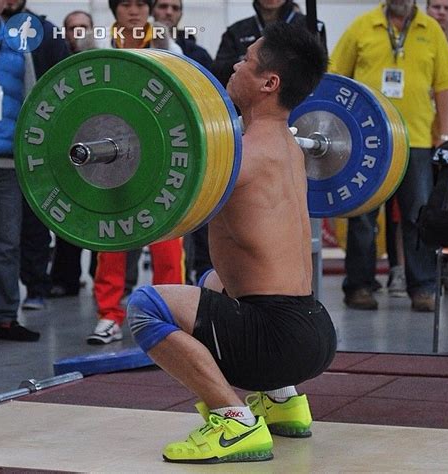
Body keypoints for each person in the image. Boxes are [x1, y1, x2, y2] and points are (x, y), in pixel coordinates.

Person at [126, 22, 336, 463]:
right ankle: (283, 402)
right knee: (214, 280)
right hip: (315, 331)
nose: (236, 66)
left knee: (147, 305)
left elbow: (164, 219)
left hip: (273, 341)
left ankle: (233, 421)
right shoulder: (289, 147)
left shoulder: (238, 157)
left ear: (268, 82)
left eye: (247, 61)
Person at [331, 0, 448, 312]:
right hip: (367, 141)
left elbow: (445, 85)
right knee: (362, 215)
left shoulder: (431, 32)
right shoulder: (362, 26)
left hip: (418, 140)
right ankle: (358, 285)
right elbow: (335, 74)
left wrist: (446, 134)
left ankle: (423, 288)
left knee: (418, 215)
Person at [86, 0, 184, 345]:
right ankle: (108, 315)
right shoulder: (100, 47)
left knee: (167, 242)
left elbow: (183, 94)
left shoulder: (167, 46)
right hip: (112, 155)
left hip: (158, 158)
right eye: (126, 4)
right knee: (111, 239)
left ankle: (168, 318)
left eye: (141, 3)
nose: (134, 10)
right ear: (115, 10)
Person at [2, 0, 69, 310]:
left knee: (34, 220)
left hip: (37, 140)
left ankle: (36, 286)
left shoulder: (46, 32)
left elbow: (65, 80)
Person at [0, 0, 39, 341]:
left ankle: (4, 318)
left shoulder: (18, 41)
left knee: (5, 243)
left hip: (6, 160)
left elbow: (32, 100)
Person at [152, 0, 213, 283]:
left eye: (174, 8)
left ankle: (202, 278)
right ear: (153, 11)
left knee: (199, 217)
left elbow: (212, 95)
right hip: (152, 144)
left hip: (193, 144)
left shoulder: (196, 52)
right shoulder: (138, 48)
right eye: (162, 6)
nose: (168, 12)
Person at [47, 10, 96, 298]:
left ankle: (98, 276)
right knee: (68, 222)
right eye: (72, 28)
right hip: (68, 152)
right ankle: (65, 278)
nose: (78, 33)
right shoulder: (56, 65)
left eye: (84, 27)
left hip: (102, 147)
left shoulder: (106, 60)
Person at [211, 0, 327, 88]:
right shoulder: (236, 31)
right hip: (246, 105)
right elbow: (219, 72)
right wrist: (249, 61)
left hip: (296, 105)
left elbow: (318, 71)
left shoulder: (311, 27)